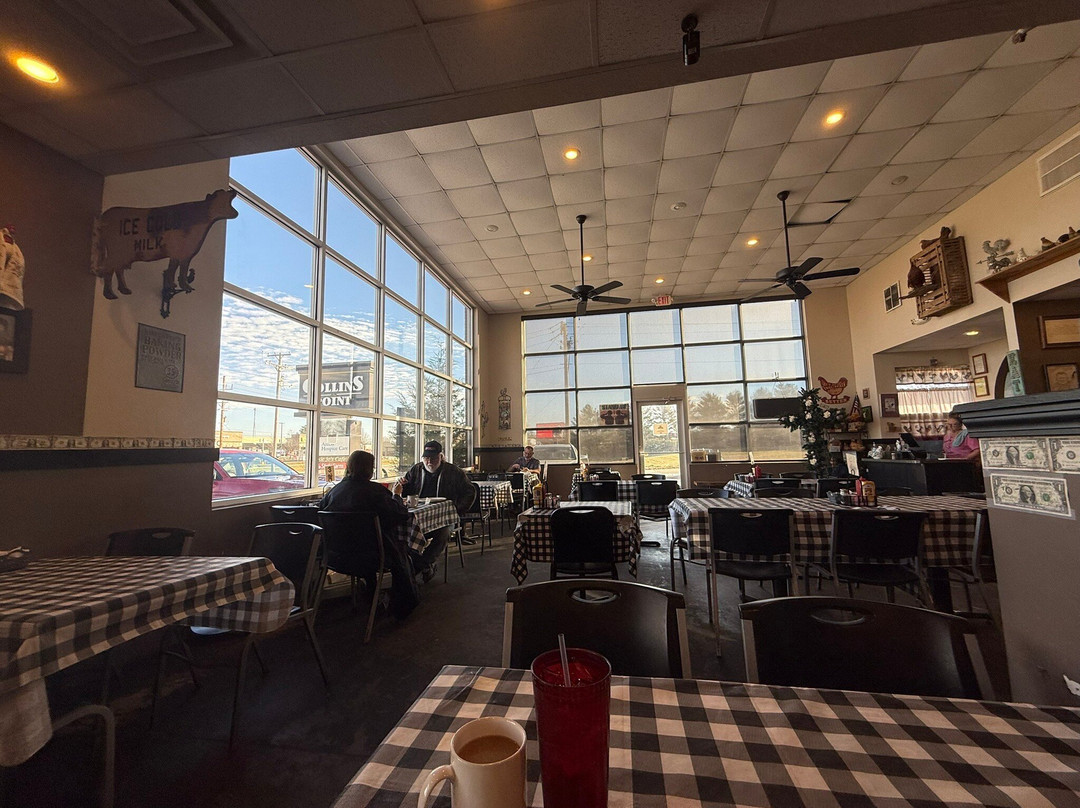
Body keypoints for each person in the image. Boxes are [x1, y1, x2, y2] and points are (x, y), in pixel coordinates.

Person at [317, 450, 419, 616]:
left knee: (368, 543)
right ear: (370, 469)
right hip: (372, 557)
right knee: (400, 549)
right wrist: (396, 495)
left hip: (335, 557)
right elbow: (399, 514)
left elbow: (319, 512)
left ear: (349, 467)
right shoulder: (375, 491)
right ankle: (402, 606)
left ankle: (373, 595)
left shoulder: (333, 492)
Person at [398, 441, 475, 580]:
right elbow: (407, 492)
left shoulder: (454, 472)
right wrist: (403, 487)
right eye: (426, 458)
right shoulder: (416, 470)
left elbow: (470, 491)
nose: (429, 462)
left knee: (444, 533)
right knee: (405, 533)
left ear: (441, 456)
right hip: (420, 518)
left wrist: (457, 510)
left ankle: (417, 567)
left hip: (445, 518)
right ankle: (424, 566)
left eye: (433, 458)